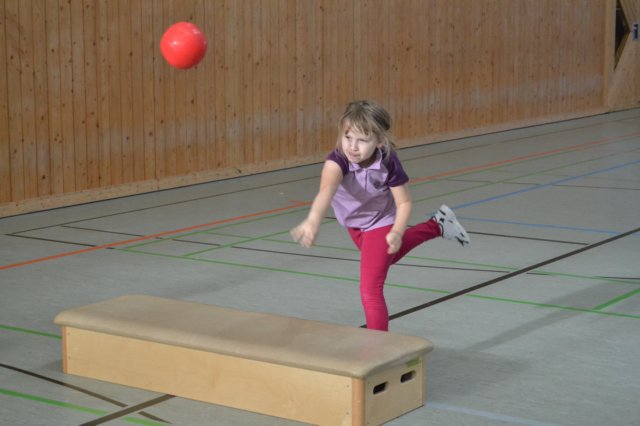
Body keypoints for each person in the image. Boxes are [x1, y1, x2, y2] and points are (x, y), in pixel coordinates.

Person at [290, 100, 470, 331]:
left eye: (362, 140)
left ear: (380, 141)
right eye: (347, 137)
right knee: (386, 258)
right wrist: (313, 220)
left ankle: (377, 344)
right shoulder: (336, 162)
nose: (352, 147)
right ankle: (438, 225)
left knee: (371, 290)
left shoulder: (387, 161)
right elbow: (327, 190)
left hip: (380, 221)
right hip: (354, 225)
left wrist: (397, 231)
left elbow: (404, 202)